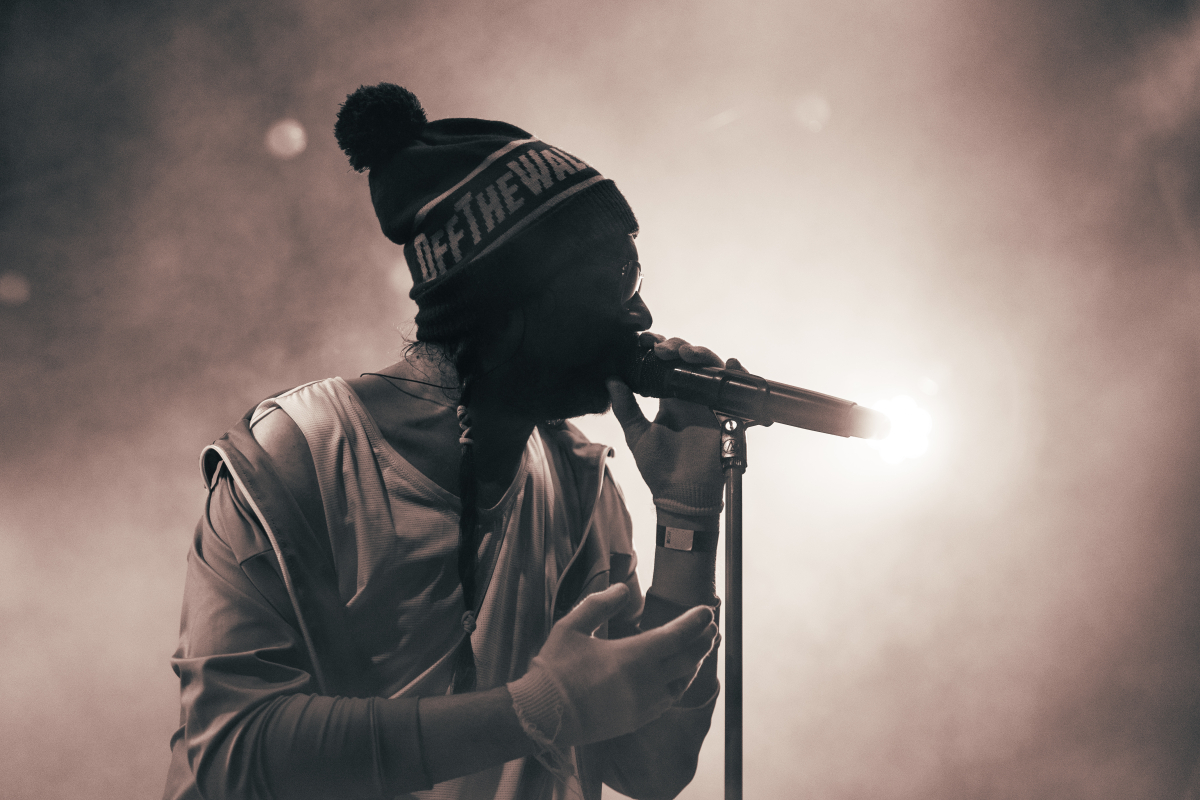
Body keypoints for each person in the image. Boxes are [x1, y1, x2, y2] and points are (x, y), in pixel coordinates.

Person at [164, 83, 735, 800]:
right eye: (618, 279)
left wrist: (687, 519)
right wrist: (535, 711)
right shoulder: (294, 458)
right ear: (509, 301)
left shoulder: (579, 485)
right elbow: (235, 754)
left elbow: (650, 767)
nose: (642, 313)